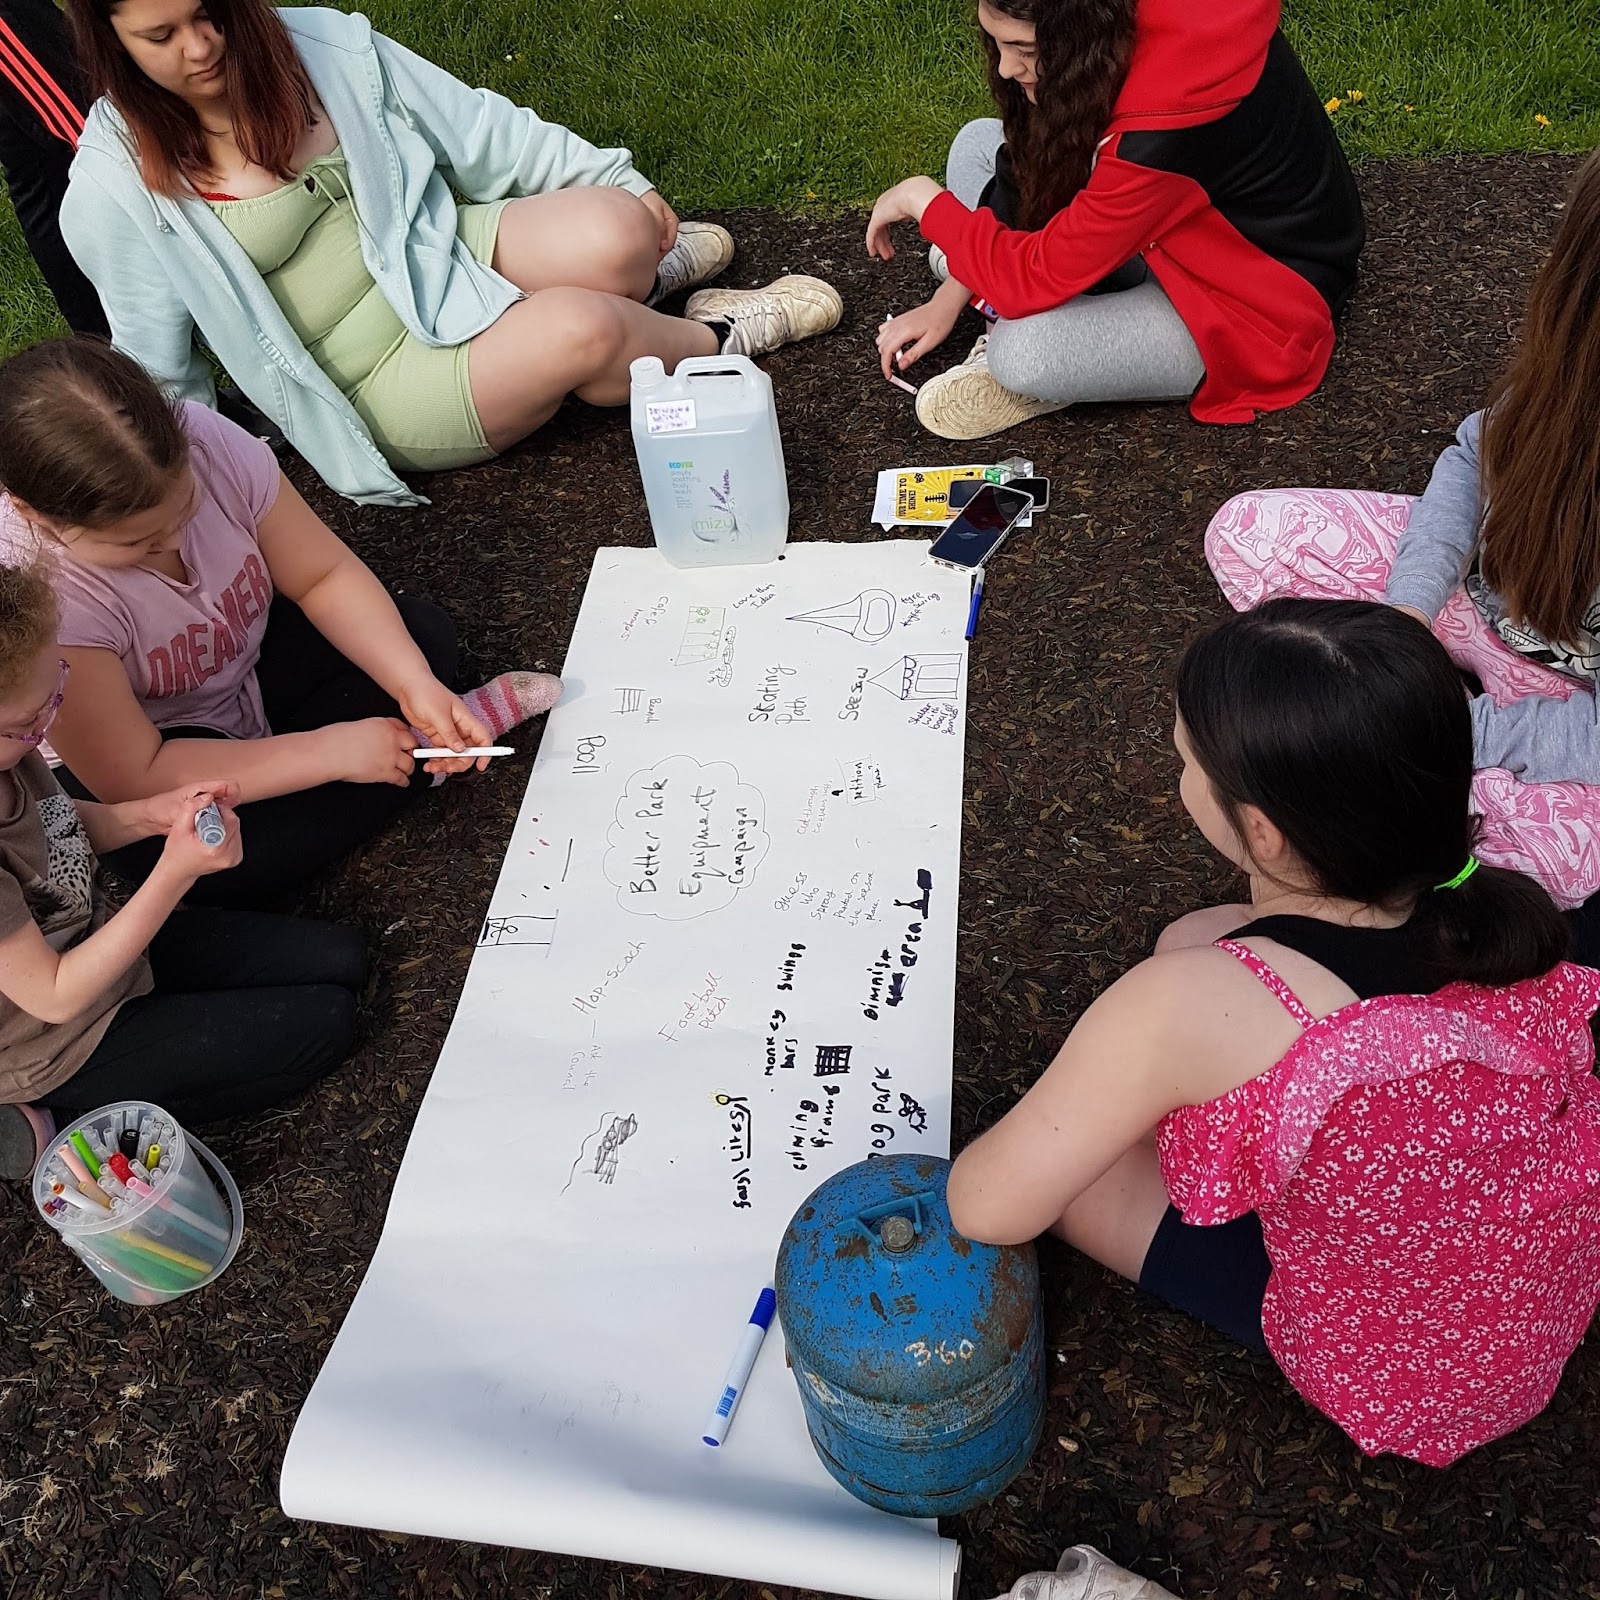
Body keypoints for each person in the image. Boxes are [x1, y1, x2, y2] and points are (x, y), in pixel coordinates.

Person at [947, 599, 1600, 1466]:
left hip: (1410, 1380)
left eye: (1187, 762)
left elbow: (984, 1206)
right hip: (1533, 1312)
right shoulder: (1509, 923)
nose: (1179, 775)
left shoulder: (1183, 1008)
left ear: (1261, 828)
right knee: (1189, 949)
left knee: (1069, 1173)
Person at [59, 0, 843, 506]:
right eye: (161, 36)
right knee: (581, 330)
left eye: (210, 15)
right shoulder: (114, 184)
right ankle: (718, 337)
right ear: (111, 42)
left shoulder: (314, 43)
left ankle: (646, 281)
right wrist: (196, 508)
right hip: (374, 377)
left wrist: (614, 180)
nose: (201, 47)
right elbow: (161, 370)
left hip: (431, 255)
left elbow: (475, 126)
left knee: (617, 230)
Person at [0, 337, 562, 908]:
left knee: (420, 639)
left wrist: (411, 684)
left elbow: (322, 576)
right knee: (217, 860)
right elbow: (137, 776)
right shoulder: (40, 595)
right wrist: (329, 752)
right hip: (162, 751)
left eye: (186, 509)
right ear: (33, 514)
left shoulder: (208, 439)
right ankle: (416, 755)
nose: (173, 542)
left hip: (249, 662)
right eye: (138, 544)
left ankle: (401, 744)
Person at [1204, 147, 1600, 923]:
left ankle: (1408, 749)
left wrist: (1447, 727)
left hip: (1575, 703)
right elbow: (1474, 458)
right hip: (1481, 604)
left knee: (1522, 859)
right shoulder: (1570, 366)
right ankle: (1403, 729)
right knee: (1246, 532)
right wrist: (1407, 609)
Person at [0, 557, 367, 1181]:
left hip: (105, 948)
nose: (47, 725)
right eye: (26, 722)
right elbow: (55, 995)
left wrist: (149, 815)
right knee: (322, 1029)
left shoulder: (15, 750)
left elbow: (59, 823)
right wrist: (174, 871)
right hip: (54, 1044)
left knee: (343, 961)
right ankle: (52, 1120)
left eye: (52, 693)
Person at [866, 0, 1364, 440]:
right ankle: (990, 277)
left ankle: (1026, 342)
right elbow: (1036, 165)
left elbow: (1033, 277)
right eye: (995, 41)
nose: (1006, 66)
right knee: (974, 143)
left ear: (1075, 34)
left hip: (1255, 304)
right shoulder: (1110, 31)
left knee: (1023, 352)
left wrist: (923, 201)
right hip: (1163, 232)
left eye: (1023, 47)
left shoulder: (1167, 127)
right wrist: (950, 292)